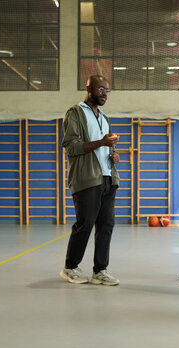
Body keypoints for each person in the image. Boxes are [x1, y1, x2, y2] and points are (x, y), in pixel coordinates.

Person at [60, 75, 120, 286]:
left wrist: (113, 154)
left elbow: (106, 146)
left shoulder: (104, 117)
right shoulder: (75, 113)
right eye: (101, 89)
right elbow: (71, 146)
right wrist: (101, 142)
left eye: (108, 91)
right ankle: (70, 267)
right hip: (87, 179)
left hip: (107, 178)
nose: (105, 94)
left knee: (106, 225)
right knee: (85, 223)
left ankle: (100, 270)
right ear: (89, 88)